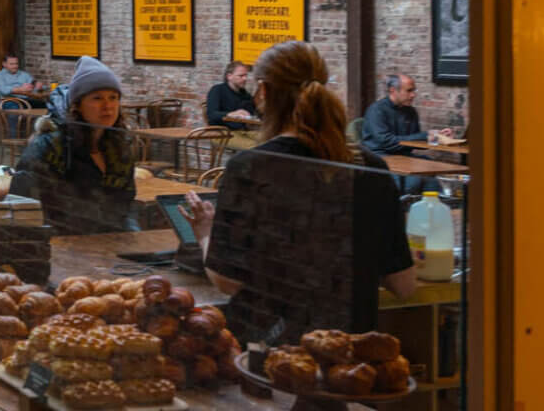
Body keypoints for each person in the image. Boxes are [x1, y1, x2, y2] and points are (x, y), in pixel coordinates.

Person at [182, 41, 416, 345]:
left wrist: (204, 232)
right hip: (347, 353)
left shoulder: (251, 167)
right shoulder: (369, 166)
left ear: (263, 92)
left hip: (271, 348)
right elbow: (403, 284)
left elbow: (228, 280)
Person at [11, 57, 138, 235]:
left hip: (106, 245)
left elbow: (125, 206)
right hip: (60, 246)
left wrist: (133, 238)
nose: (107, 106)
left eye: (113, 97)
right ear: (77, 105)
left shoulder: (118, 147)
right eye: (97, 98)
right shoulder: (52, 145)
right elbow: (27, 209)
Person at [362, 74, 452, 154]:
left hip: (403, 156)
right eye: (409, 91)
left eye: (414, 91)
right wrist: (424, 136)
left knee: (433, 166)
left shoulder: (410, 111)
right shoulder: (376, 110)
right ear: (392, 90)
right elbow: (387, 142)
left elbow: (414, 141)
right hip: (380, 157)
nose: (413, 95)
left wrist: (437, 137)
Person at [205, 60, 258, 126]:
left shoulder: (245, 94)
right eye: (241, 76)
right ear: (229, 76)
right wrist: (231, 114)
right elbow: (211, 115)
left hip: (242, 131)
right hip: (222, 132)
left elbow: (252, 113)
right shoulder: (217, 90)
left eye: (246, 75)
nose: (245, 79)